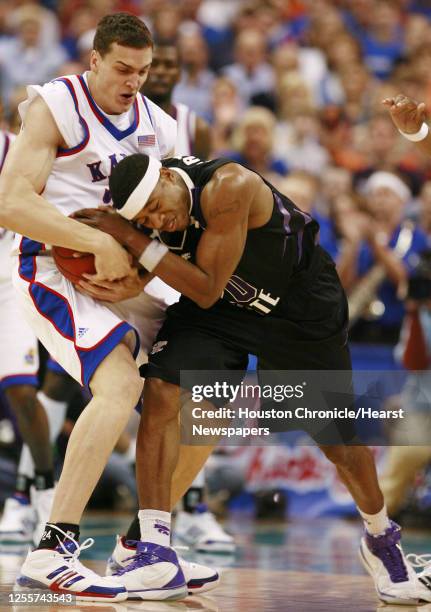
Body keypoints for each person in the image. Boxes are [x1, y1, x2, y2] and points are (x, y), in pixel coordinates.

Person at [73, 152, 431, 604]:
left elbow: (204, 286)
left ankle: (381, 538)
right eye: (145, 219)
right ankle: (152, 548)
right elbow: (170, 270)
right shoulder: (150, 217)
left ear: (167, 176)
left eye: (156, 206)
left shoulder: (229, 186)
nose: (157, 220)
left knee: (339, 443)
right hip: (222, 312)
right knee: (163, 389)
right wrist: (131, 276)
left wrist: (126, 232)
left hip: (299, 310)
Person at [0, 13, 217, 601]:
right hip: (52, 266)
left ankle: (141, 548)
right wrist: (97, 241)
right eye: (123, 68)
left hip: (128, 275)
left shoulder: (164, 128)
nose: (134, 81)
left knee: (209, 398)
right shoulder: (56, 105)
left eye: (143, 71)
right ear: (94, 59)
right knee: (119, 387)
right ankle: (51, 550)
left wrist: (139, 267)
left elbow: (175, 227)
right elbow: (12, 203)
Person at [140, 41, 235, 555]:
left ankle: (192, 507)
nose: (166, 72)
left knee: (197, 386)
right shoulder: (125, 115)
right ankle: (38, 494)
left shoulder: (188, 120)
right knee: (152, 394)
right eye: (162, 64)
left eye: (175, 65)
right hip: (146, 242)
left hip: (179, 250)